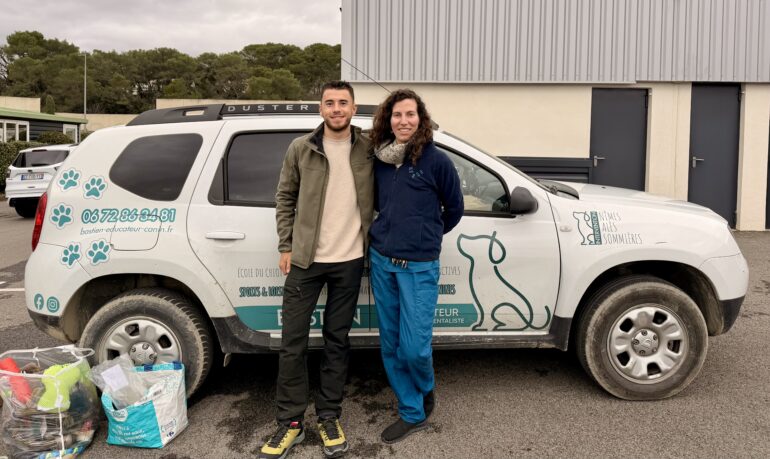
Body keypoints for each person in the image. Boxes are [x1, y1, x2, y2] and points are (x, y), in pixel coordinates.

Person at [260, 81, 373, 459]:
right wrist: (287, 244)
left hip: (350, 259)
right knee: (292, 342)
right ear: (320, 108)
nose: (336, 108)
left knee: (336, 342)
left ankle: (329, 416)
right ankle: (290, 423)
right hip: (306, 261)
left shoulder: (368, 148)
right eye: (329, 103)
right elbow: (284, 197)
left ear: (354, 108)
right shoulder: (301, 148)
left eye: (343, 103)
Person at [368, 89, 463, 444]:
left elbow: (453, 210)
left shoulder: (436, 161)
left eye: (410, 114)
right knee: (390, 345)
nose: (403, 121)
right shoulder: (379, 158)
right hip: (382, 263)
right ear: (387, 120)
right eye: (397, 115)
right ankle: (412, 411)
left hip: (419, 266)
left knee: (414, 348)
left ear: (420, 119)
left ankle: (425, 387)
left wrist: (425, 235)